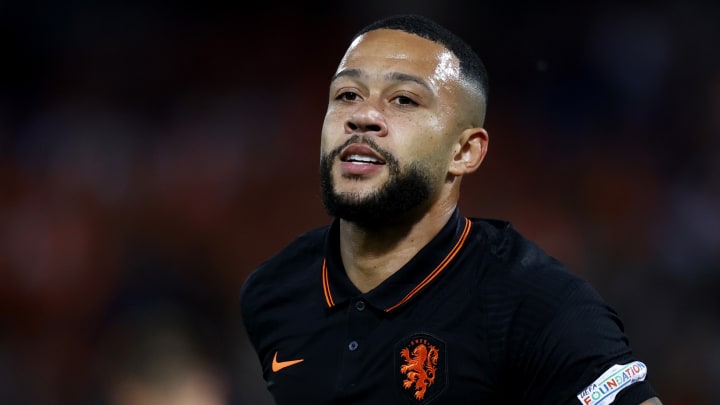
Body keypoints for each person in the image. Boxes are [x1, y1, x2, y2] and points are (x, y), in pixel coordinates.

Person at [239, 14, 662, 405]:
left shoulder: (535, 306)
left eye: (404, 100)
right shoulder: (273, 290)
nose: (363, 115)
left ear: (464, 152)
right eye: (347, 94)